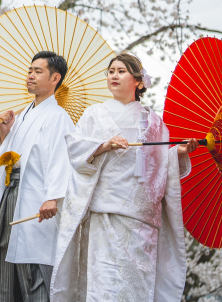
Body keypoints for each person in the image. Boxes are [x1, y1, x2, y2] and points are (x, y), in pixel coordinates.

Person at [50, 52, 198, 302]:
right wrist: (103, 146)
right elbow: (74, 150)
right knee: (104, 286)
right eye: (110, 71)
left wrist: (178, 154)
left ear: (139, 81)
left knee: (136, 286)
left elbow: (161, 167)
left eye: (121, 71)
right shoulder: (94, 114)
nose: (113, 75)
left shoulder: (155, 123)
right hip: (105, 215)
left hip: (141, 221)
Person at [0, 50, 74, 302]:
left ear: (55, 78)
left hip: (35, 199)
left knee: (33, 267)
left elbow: (62, 160)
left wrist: (53, 197)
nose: (30, 76)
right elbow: (4, 160)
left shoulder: (59, 117)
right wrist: (6, 133)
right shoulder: (21, 115)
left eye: (37, 71)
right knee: (0, 258)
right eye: (29, 70)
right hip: (10, 193)